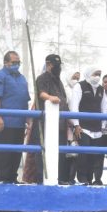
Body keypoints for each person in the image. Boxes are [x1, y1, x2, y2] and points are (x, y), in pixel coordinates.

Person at [30, 54, 74, 185]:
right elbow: (41, 93)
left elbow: (64, 99)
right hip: (45, 123)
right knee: (42, 151)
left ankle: (58, 178)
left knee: (59, 151)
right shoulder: (42, 78)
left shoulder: (58, 80)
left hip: (60, 123)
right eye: (56, 65)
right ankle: (41, 178)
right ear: (49, 64)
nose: (58, 68)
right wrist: (50, 98)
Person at [0, 51, 30, 184]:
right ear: (6, 62)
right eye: (13, 62)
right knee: (3, 151)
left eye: (18, 62)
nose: (16, 64)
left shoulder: (22, 78)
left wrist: (28, 119)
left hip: (19, 122)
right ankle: (1, 178)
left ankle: (12, 177)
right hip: (4, 122)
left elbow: (25, 99)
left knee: (16, 152)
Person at [70, 67, 104, 185]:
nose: (97, 76)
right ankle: (81, 178)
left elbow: (103, 108)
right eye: (95, 74)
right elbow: (74, 106)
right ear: (89, 74)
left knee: (95, 156)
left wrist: (103, 125)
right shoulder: (80, 86)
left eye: (99, 74)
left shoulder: (101, 89)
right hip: (83, 127)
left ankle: (91, 179)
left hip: (97, 129)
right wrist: (76, 125)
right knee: (83, 154)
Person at [94, 74, 107, 184]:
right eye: (105, 82)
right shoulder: (98, 93)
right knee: (98, 156)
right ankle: (97, 179)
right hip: (99, 130)